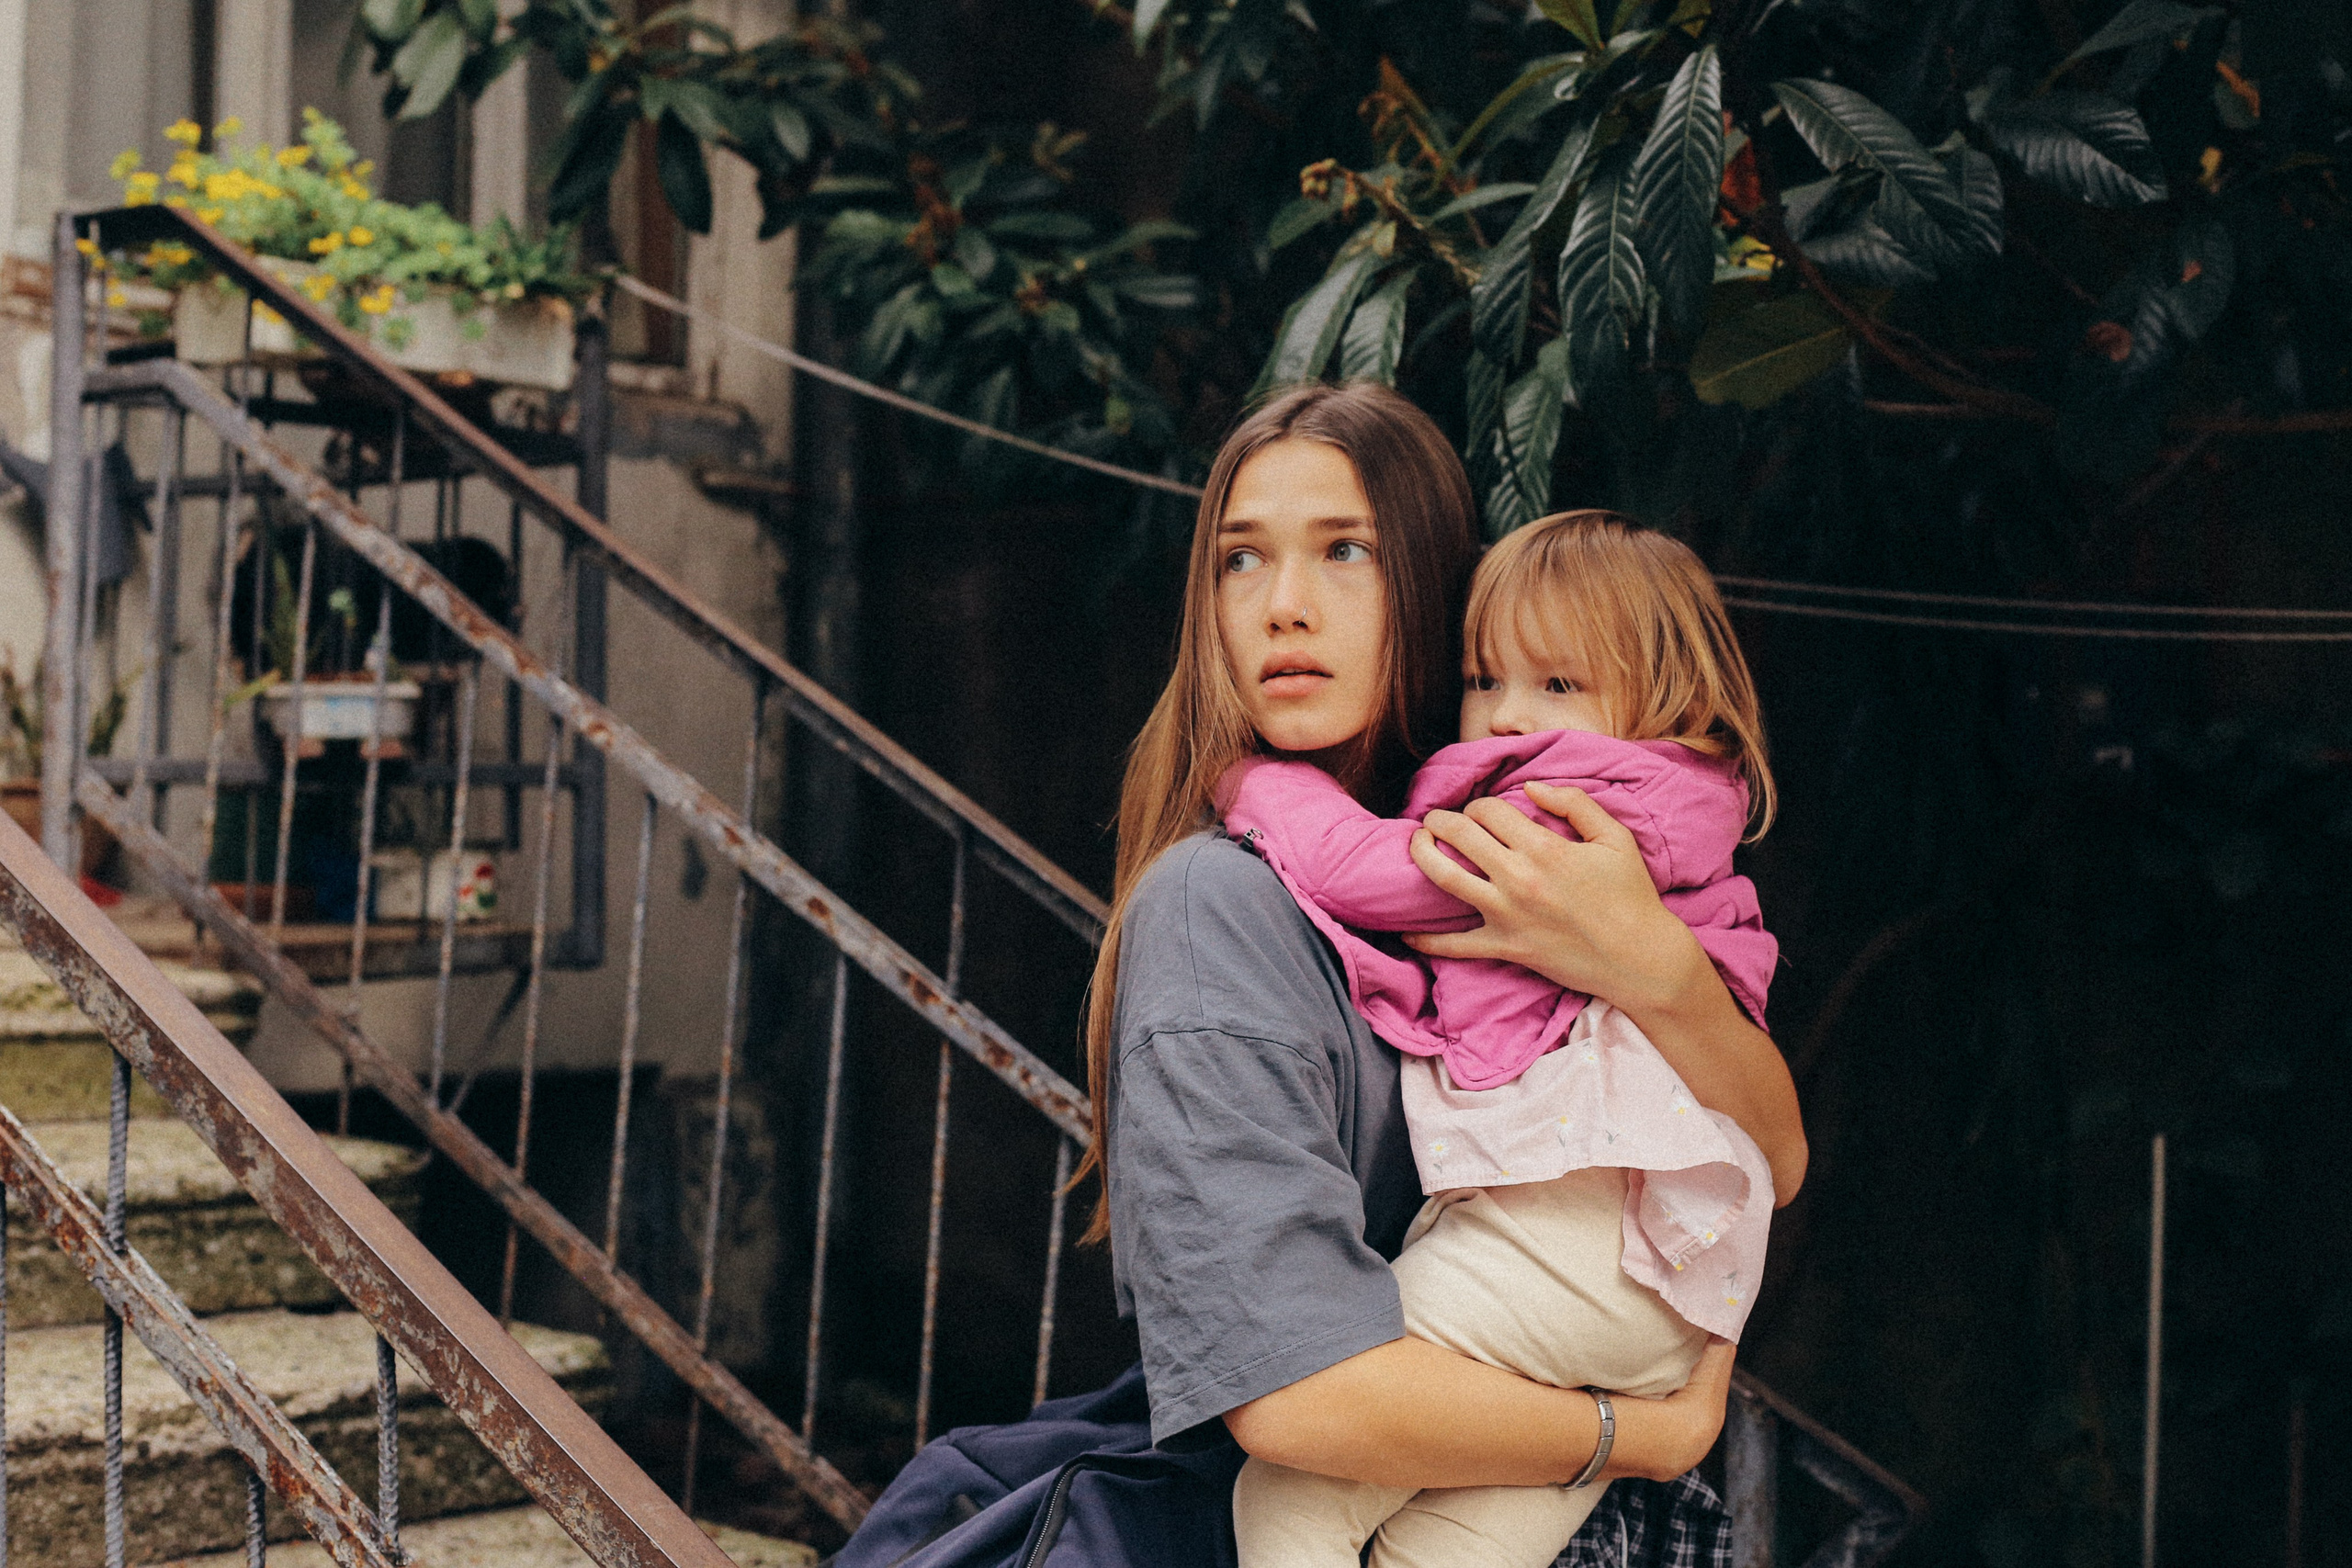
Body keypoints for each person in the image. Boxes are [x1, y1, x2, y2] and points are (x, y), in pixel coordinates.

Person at [837, 382, 1805, 1568]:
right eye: (1241, 561)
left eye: (1345, 549)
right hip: (1311, 1511)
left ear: (1436, 588)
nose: (1284, 607)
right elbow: (1298, 1401)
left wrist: (1658, 971)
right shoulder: (1225, 903)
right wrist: (1640, 1432)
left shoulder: (1518, 854)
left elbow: (1778, 1154)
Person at [1213, 510, 1781, 1568]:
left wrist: (1254, 780)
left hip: (1566, 1243)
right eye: (1482, 679)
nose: (1507, 715)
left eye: (1557, 685)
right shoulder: (1666, 811)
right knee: (1440, 1549)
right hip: (1650, 1290)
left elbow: (1366, 874)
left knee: (1293, 1490)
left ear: (1674, 705)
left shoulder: (1575, 814)